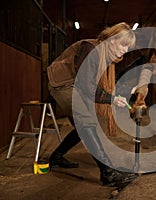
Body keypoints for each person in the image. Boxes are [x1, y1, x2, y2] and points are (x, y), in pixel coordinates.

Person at [47, 22, 137, 187]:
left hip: (74, 84)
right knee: (87, 123)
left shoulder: (104, 54)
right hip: (62, 83)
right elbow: (86, 85)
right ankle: (108, 174)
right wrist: (111, 99)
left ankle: (56, 157)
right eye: (123, 45)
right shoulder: (92, 50)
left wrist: (119, 93)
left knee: (84, 125)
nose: (125, 50)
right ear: (111, 39)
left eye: (127, 47)